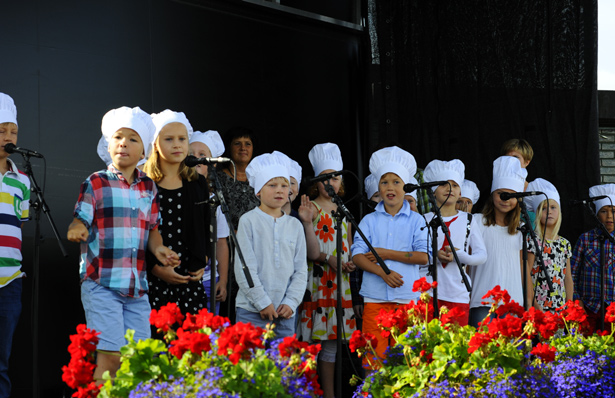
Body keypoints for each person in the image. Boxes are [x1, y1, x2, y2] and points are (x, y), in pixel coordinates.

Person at [67, 106, 180, 381]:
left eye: (132, 139)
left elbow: (153, 230)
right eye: (118, 137)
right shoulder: (96, 182)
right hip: (102, 283)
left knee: (140, 358)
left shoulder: (149, 187)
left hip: (136, 288)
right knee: (110, 357)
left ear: (144, 151)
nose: (123, 144)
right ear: (108, 144)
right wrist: (77, 228)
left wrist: (160, 249)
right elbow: (79, 218)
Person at [351, 146, 429, 368]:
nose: (390, 187)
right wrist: (382, 272)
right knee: (373, 359)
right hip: (375, 298)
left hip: (407, 297)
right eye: (384, 182)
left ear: (406, 186)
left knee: (408, 360)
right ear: (378, 187)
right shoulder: (369, 220)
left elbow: (423, 257)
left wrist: (385, 254)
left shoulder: (417, 220)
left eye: (396, 182)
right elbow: (357, 255)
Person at [298, 142, 357, 398]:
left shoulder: (344, 210)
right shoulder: (311, 208)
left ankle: (331, 394)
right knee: (315, 343)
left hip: (341, 283)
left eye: (334, 177)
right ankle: (314, 392)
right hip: (318, 281)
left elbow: (350, 246)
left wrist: (351, 262)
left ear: (341, 181)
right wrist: (328, 258)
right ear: (316, 182)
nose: (329, 182)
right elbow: (311, 253)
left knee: (332, 345)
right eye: (324, 178)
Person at [143, 110, 210, 316]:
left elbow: (204, 224)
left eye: (182, 139)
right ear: (155, 143)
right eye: (169, 139)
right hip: (154, 278)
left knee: (192, 343)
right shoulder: (145, 184)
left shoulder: (197, 183)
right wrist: (155, 267)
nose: (177, 144)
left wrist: (203, 260)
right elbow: (138, 232)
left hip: (189, 277)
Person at [234, 152, 308, 338]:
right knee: (251, 364)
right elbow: (244, 267)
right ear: (258, 190)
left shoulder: (295, 225)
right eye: (272, 185)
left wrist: (291, 302)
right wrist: (262, 302)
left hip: (285, 312)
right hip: (251, 311)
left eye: (285, 185)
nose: (280, 190)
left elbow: (300, 270)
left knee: (283, 365)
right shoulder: (248, 221)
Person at [422, 160, 487, 326]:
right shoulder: (424, 220)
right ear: (432, 191)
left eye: (454, 185)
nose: (449, 189)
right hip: (428, 292)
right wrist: (434, 256)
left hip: (457, 293)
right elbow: (416, 256)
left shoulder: (468, 220)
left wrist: (461, 255)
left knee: (456, 346)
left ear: (460, 192)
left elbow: (481, 256)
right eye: (443, 184)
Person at [468, 156, 527, 328]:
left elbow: (523, 268)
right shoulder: (477, 222)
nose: (505, 199)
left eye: (511, 195)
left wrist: (527, 301)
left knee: (511, 352)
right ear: (493, 194)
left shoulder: (521, 228)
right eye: (501, 194)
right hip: (481, 299)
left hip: (512, 301)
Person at [0, 93, 30, 398]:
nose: (8, 137)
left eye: (13, 131)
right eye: (1, 130)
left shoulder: (21, 179)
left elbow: (19, 224)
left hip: (9, 281)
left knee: (1, 363)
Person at [189, 130, 229, 314]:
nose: (196, 159)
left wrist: (223, 280)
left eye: (202, 155)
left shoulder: (214, 201)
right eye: (191, 155)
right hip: (182, 278)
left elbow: (221, 243)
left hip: (208, 281)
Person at [524, 178, 573, 312]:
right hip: (539, 306)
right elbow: (526, 274)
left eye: (553, 207)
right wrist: (533, 303)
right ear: (537, 213)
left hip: (560, 307)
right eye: (544, 208)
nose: (549, 212)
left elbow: (567, 277)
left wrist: (570, 305)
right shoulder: (533, 240)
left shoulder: (564, 243)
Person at [572, 184, 615, 331]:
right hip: (589, 307)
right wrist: (578, 300)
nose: (609, 216)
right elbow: (572, 273)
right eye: (604, 211)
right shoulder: (585, 239)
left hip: (613, 310)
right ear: (596, 214)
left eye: (614, 211)